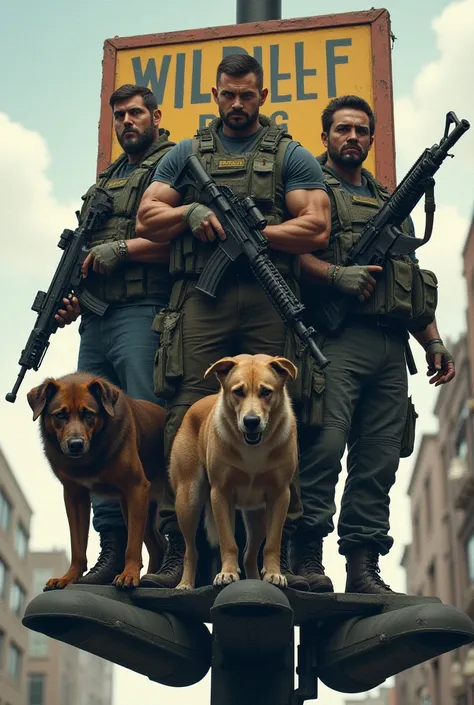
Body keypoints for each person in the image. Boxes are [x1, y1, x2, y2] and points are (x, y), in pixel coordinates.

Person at [135, 53, 331, 589]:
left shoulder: (289, 154)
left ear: (262, 96)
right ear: (215, 94)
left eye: (247, 94)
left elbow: (316, 226)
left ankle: (283, 553)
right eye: (228, 94)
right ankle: (179, 553)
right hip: (205, 295)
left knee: (287, 417)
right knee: (184, 413)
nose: (237, 104)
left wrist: (257, 235)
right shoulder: (186, 152)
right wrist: (191, 214)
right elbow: (147, 216)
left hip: (270, 294)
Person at [290, 94, 455, 594]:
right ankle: (307, 559)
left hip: (389, 350)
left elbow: (407, 281)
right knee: (324, 448)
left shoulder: (390, 201)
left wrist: (433, 341)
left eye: (361, 130)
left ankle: (363, 567)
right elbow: (286, 256)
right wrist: (336, 275)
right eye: (343, 129)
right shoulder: (308, 191)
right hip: (333, 340)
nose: (353, 138)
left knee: (380, 460)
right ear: (326, 136)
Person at [55, 84, 175, 585]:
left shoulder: (174, 164)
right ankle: (109, 553)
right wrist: (73, 299)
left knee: (145, 435)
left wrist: (123, 250)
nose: (128, 122)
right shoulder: (105, 181)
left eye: (136, 113)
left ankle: (167, 549)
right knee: (94, 437)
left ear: (155, 115)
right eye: (120, 116)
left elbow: (183, 239)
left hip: (143, 311)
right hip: (98, 320)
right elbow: (87, 253)